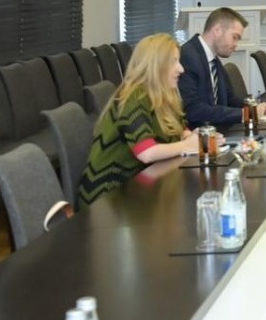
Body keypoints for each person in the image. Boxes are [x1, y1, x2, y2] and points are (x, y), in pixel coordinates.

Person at [77, 34, 200, 206]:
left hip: (137, 189)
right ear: (155, 65)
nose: (181, 69)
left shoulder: (165, 94)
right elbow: (146, 152)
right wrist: (187, 146)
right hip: (108, 197)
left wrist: (197, 138)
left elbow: (179, 130)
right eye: (173, 62)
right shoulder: (135, 96)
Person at [179, 6, 266, 128]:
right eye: (234, 37)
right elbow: (193, 110)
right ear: (217, 30)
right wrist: (246, 114)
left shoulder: (214, 60)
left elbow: (230, 100)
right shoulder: (188, 56)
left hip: (218, 131)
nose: (236, 45)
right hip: (199, 134)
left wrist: (256, 107)